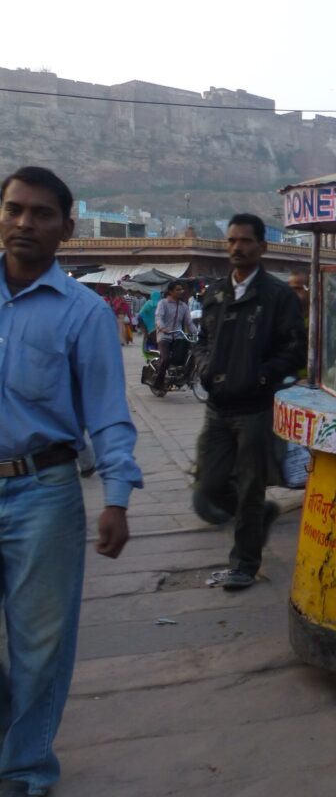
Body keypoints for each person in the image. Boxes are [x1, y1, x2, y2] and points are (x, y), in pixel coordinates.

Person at [0, 166, 143, 795]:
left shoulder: (83, 313)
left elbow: (108, 412)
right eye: (13, 209)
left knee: (39, 646)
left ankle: (26, 770)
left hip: (44, 494)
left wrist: (116, 498)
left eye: (40, 213)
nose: (24, 223)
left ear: (67, 228)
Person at [193, 213, 307, 590]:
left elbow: (295, 349)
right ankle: (260, 517)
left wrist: (261, 376)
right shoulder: (216, 293)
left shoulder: (278, 296)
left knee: (250, 488)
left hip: (256, 408)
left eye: (244, 241)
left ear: (262, 247)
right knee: (208, 488)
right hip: (217, 407)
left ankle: (244, 564)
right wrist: (205, 367)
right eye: (231, 241)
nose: (237, 248)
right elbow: (202, 341)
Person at [152, 280, 194, 395]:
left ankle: (184, 377)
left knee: (190, 354)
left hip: (178, 335)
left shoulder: (184, 306)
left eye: (182, 289)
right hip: (164, 335)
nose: (181, 291)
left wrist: (198, 333)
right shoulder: (163, 303)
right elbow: (158, 318)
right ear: (170, 291)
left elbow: (189, 323)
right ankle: (158, 384)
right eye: (178, 289)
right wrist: (163, 328)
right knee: (165, 359)